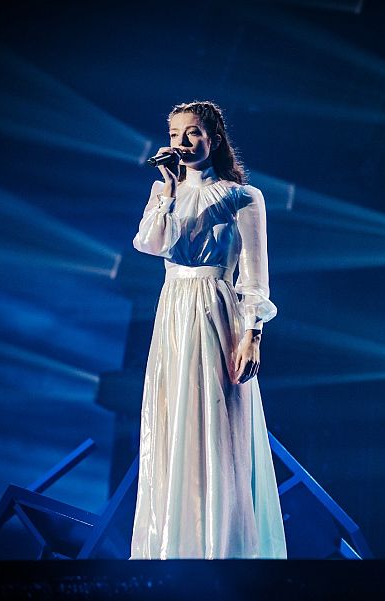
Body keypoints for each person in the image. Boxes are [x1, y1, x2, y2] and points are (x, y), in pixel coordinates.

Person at [129, 100, 287, 559]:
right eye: (175, 133)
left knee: (216, 425)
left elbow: (255, 278)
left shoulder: (242, 196)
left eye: (193, 132)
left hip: (217, 311)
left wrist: (252, 334)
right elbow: (151, 244)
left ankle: (224, 549)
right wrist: (168, 190)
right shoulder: (167, 195)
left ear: (213, 139)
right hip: (173, 313)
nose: (182, 142)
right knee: (172, 422)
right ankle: (175, 547)